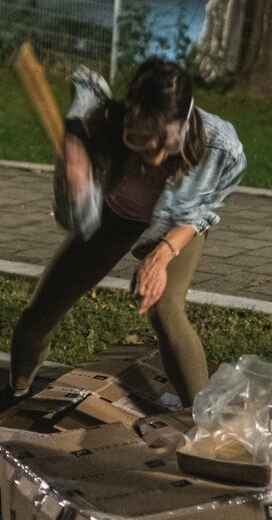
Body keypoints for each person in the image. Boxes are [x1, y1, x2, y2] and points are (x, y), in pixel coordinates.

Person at [4, 57, 246, 409]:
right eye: (141, 139)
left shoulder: (217, 145)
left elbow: (200, 212)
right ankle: (17, 398)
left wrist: (161, 256)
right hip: (115, 215)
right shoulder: (101, 124)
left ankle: (201, 421)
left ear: (184, 122)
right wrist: (74, 175)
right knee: (36, 316)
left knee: (165, 310)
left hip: (177, 227)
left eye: (167, 142)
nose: (155, 156)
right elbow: (76, 216)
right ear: (128, 117)